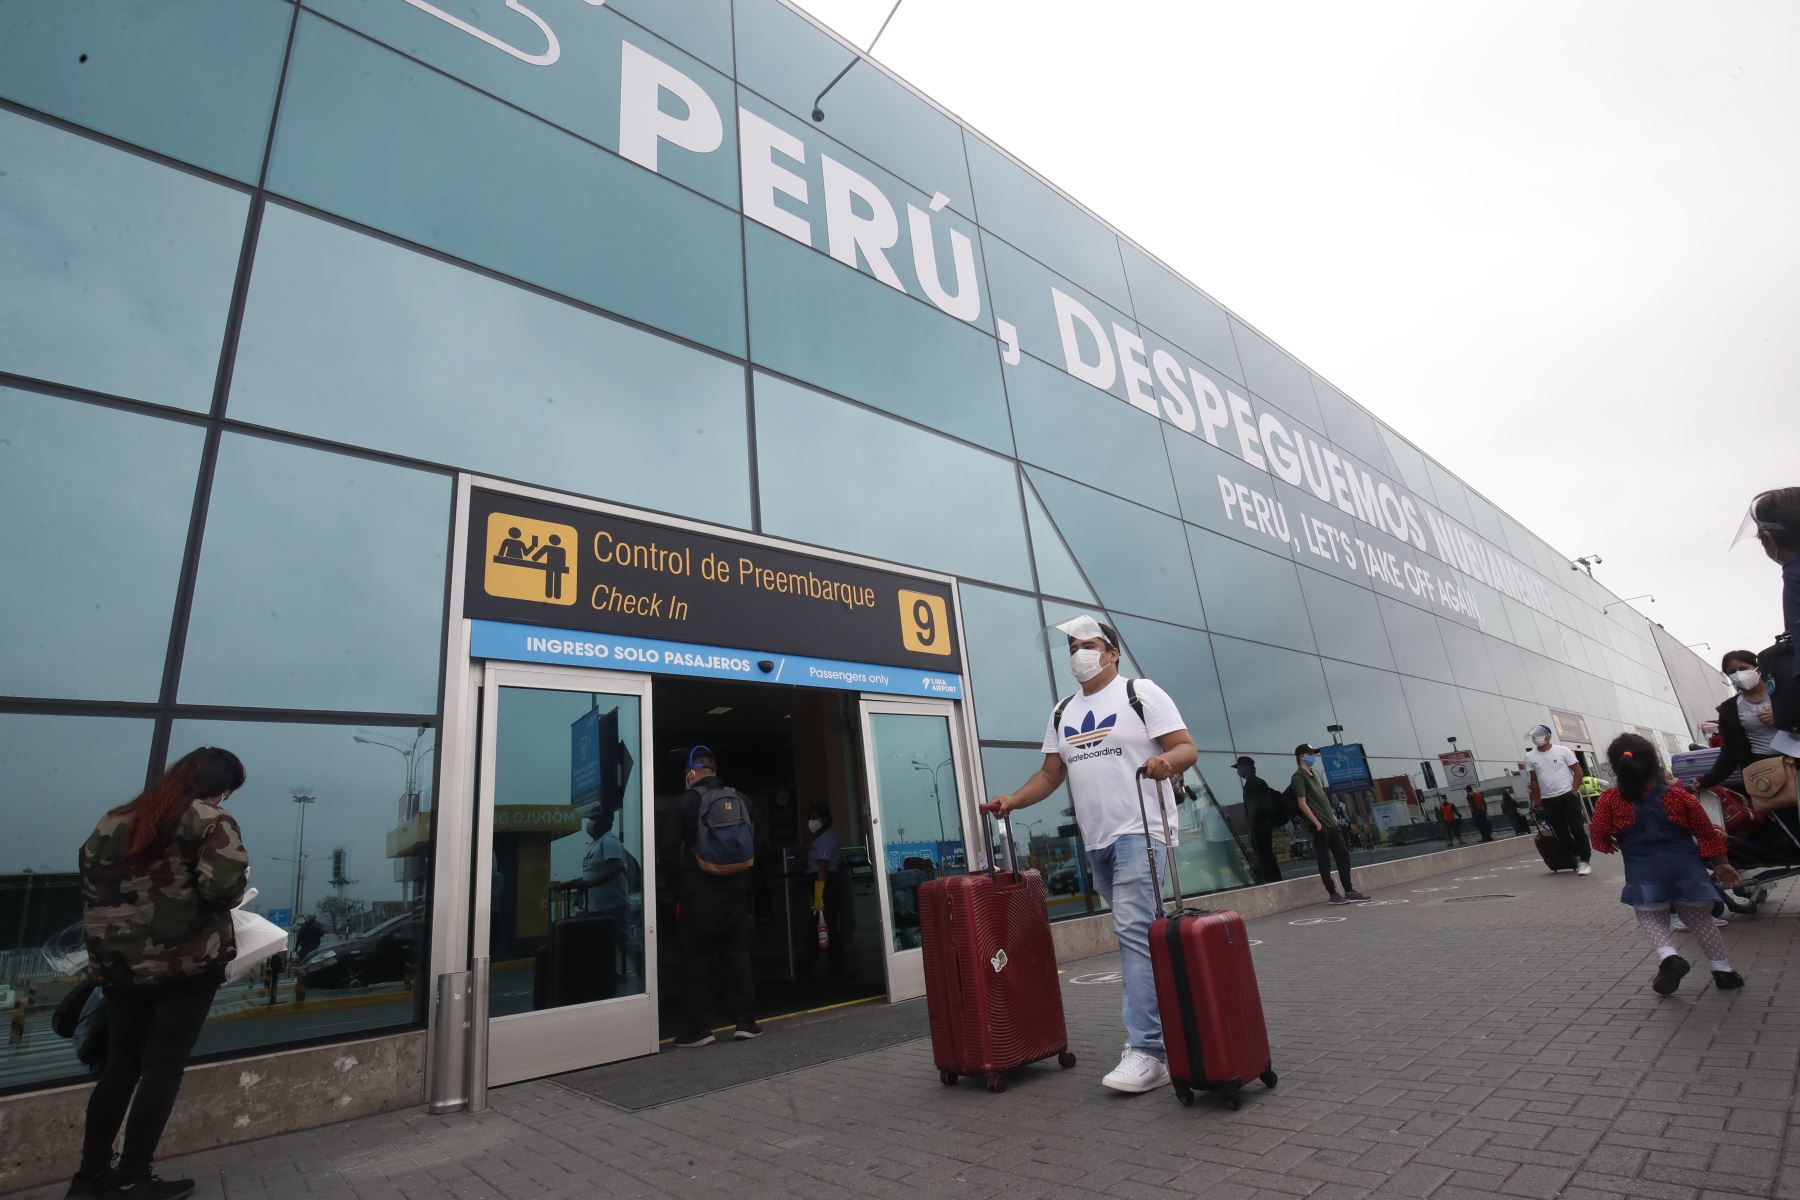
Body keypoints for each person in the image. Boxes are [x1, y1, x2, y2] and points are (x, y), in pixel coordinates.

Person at [987, 616, 1197, 1094]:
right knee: (1143, 935)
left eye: (1089, 645)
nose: (1079, 654)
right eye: (1073, 648)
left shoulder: (1139, 694)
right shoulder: (1062, 710)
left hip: (1141, 832)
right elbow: (1050, 774)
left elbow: (1186, 747)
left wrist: (1167, 761)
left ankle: (1148, 1051)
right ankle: (1174, 1023)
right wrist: (1013, 801)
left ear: (1112, 652)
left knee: (1132, 933)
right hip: (1096, 840)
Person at [72, 746, 250, 1200]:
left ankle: (89, 1178)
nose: (226, 798)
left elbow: (92, 884)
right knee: (163, 1069)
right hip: (182, 965)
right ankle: (133, 1178)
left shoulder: (115, 820)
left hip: (119, 969)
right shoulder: (209, 821)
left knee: (119, 1068)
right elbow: (223, 890)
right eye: (227, 790)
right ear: (219, 786)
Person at [1588, 734, 1744, 995]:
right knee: (1702, 922)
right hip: (1687, 870)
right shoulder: (1678, 796)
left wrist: (1609, 843)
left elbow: (1598, 834)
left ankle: (1669, 956)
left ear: (1615, 769)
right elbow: (1705, 832)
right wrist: (1721, 863)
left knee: (1652, 919)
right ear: (1655, 765)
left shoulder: (1609, 800)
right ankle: (1724, 971)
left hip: (1644, 875)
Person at [658, 746, 758, 1046]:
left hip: (698, 893)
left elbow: (667, 850)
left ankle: (700, 1029)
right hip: (737, 892)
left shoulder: (684, 803)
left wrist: (676, 887)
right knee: (737, 955)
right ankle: (746, 1022)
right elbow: (755, 843)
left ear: (691, 773)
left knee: (699, 958)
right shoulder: (741, 799)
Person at [1695, 651, 1790, 795]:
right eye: (1732, 672)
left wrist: (1782, 716)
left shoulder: (1785, 690)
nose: (1738, 674)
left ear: (1758, 668)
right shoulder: (1729, 709)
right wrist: (1706, 780)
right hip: (1766, 770)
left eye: (1743, 668)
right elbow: (1730, 752)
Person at [1290, 744, 1371, 905]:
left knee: (1343, 855)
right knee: (1324, 860)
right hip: (1320, 825)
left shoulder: (1313, 775)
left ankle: (1349, 890)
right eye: (1310, 754)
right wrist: (1316, 822)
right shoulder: (1298, 777)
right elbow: (1302, 803)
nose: (1313, 757)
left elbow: (1321, 799)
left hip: (1331, 824)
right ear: (1301, 756)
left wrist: (1333, 816)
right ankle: (1333, 893)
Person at [1527, 724, 1592, 876]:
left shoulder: (1563, 750)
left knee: (1577, 829)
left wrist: (1574, 790)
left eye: (1540, 735)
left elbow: (1577, 770)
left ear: (1548, 736)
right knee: (1560, 832)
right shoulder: (1530, 757)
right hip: (1548, 799)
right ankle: (1577, 854)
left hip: (1568, 795)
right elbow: (1534, 780)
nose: (1536, 738)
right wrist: (1536, 799)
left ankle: (1585, 861)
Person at [800, 803, 849, 978]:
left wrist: (819, 894)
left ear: (824, 819)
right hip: (827, 884)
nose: (811, 822)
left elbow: (823, 867)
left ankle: (829, 968)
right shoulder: (826, 837)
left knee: (824, 925)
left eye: (814, 818)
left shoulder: (825, 838)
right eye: (810, 818)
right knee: (823, 926)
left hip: (825, 885)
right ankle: (828, 967)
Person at [1233, 756, 1285, 884]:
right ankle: (1275, 880)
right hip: (1265, 825)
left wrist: (1251, 828)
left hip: (1259, 827)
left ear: (1246, 767)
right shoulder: (1260, 782)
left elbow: (1254, 809)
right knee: (1267, 856)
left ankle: (1271, 881)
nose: (1237, 771)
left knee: (1264, 857)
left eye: (1238, 768)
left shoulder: (1251, 785)